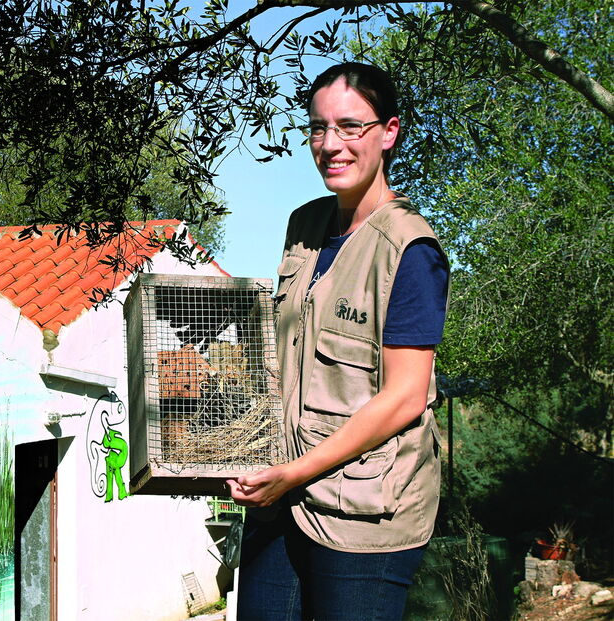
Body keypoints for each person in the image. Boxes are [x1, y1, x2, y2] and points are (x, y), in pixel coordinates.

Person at [226, 62, 450, 621]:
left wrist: (292, 474)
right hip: (281, 501)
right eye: (318, 128)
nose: (331, 145)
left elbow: (404, 397)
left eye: (350, 127)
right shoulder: (304, 225)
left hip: (363, 514)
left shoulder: (410, 249)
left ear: (389, 132)